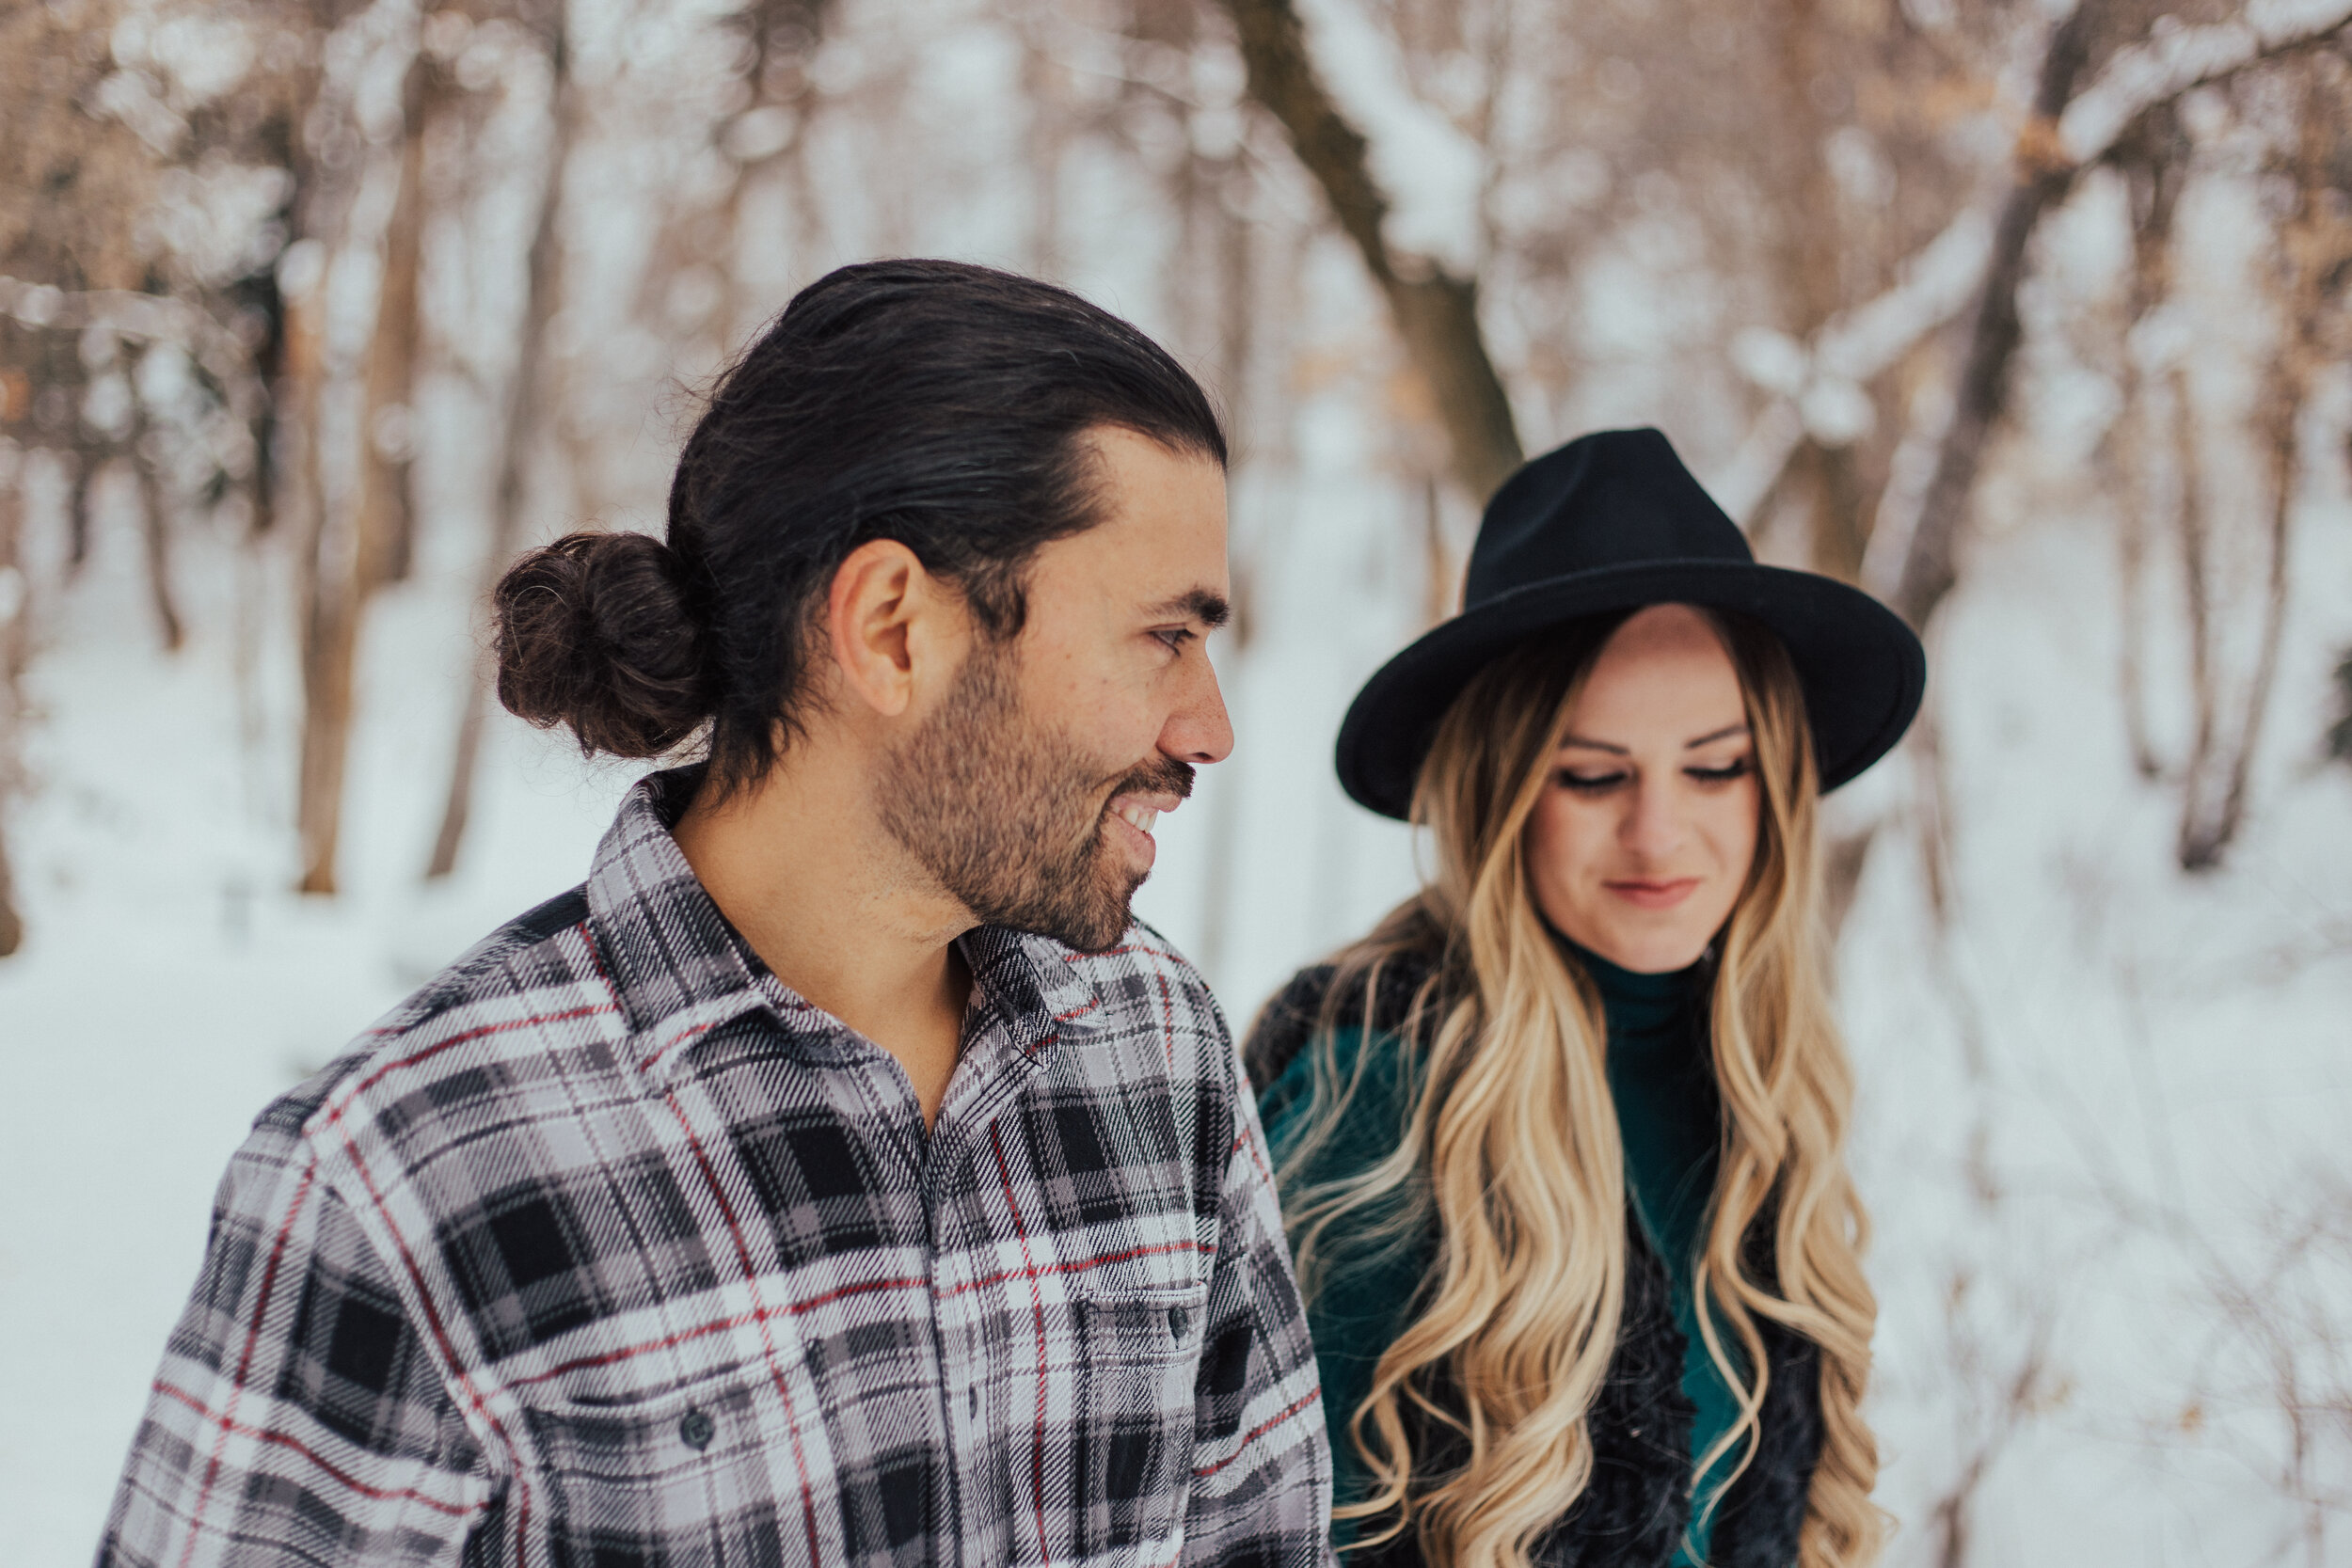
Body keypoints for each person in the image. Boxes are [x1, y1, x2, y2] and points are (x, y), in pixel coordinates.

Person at [101, 260, 1332, 1568]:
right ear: (894, 629)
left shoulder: (1157, 1045)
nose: (1209, 725)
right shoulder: (404, 1175)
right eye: (1164, 636)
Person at [1248, 429, 1925, 1568]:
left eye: (1715, 765)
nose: (1660, 832)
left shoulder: (1749, 1074)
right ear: (1497, 788)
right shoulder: (1377, 1093)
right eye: (1593, 774)